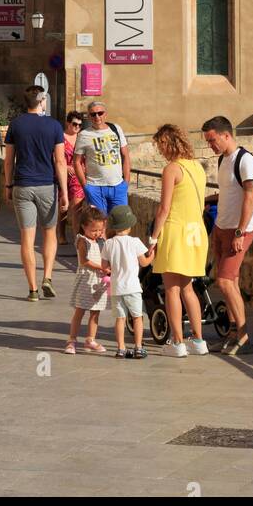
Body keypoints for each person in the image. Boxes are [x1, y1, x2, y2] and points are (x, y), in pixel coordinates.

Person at [147, 124, 209, 357]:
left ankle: (177, 342)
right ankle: (199, 340)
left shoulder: (172, 169)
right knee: (188, 288)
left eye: (161, 145)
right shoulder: (198, 167)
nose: (160, 150)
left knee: (172, 289)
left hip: (176, 231)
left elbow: (164, 208)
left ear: (169, 143)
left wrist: (153, 238)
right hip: (196, 232)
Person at [3, 84, 69, 301]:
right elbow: (60, 161)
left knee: (27, 239)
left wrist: (8, 185)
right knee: (49, 233)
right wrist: (65, 192)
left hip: (22, 185)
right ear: (42, 101)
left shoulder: (16, 125)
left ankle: (32, 289)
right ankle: (47, 277)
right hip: (47, 186)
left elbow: (8, 160)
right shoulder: (54, 126)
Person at [202, 116, 253, 356]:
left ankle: (243, 337)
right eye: (208, 141)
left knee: (224, 282)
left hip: (239, 230)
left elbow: (250, 197)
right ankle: (234, 333)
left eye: (212, 140)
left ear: (226, 135)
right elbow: (228, 192)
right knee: (230, 282)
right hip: (221, 227)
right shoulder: (222, 160)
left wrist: (239, 231)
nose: (210, 145)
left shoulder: (246, 161)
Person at [100, 206, 154, 359]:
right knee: (137, 317)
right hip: (133, 287)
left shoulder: (108, 244)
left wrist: (114, 268)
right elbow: (144, 263)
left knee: (120, 319)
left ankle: (121, 348)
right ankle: (138, 347)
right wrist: (152, 256)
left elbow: (105, 267)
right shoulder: (135, 242)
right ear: (129, 225)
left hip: (117, 288)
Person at [73, 101, 131, 215]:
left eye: (100, 113)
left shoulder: (116, 129)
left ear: (105, 114)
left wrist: (126, 181)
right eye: (93, 114)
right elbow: (76, 162)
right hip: (95, 187)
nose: (97, 117)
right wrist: (85, 186)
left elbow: (125, 155)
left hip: (118, 186)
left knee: (120, 223)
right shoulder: (84, 135)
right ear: (89, 116)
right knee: (99, 225)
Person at [65, 205, 108, 354]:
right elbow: (84, 261)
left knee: (95, 311)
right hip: (86, 280)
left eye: (100, 230)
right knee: (80, 310)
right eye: (93, 230)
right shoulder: (82, 240)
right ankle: (72, 340)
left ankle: (90, 339)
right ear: (83, 227)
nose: (97, 233)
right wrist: (102, 268)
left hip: (98, 282)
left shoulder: (101, 241)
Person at [57, 111, 86, 244]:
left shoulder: (82, 138)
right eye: (74, 124)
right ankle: (61, 234)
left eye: (80, 125)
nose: (77, 127)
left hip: (78, 177)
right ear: (68, 123)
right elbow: (55, 156)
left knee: (76, 208)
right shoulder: (60, 137)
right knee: (63, 207)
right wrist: (66, 167)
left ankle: (77, 239)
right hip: (63, 175)